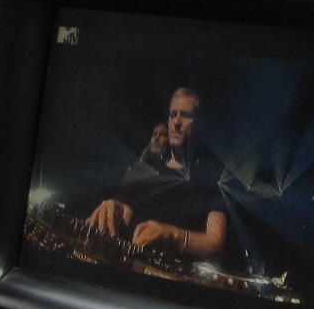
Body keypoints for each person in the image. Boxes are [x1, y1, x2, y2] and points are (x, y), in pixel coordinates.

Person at [86, 87, 228, 259]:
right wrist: (114, 209)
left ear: (199, 123)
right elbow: (126, 214)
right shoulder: (148, 166)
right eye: (172, 115)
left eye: (185, 115)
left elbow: (215, 242)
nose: (176, 122)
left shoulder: (213, 176)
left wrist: (170, 234)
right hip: (133, 259)